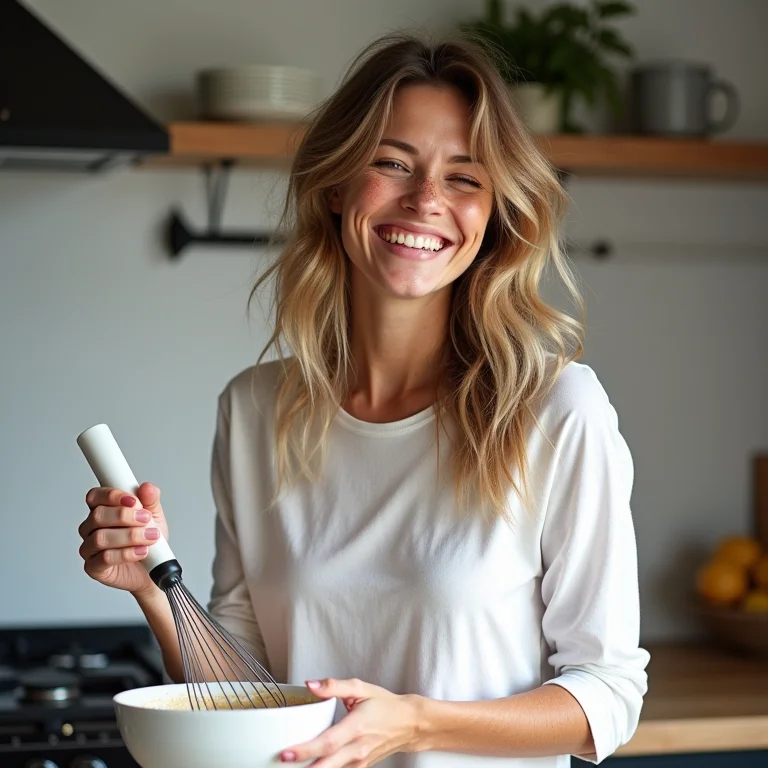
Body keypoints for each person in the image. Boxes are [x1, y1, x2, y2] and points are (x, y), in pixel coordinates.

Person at [77, 32, 650, 768]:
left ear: (493, 215)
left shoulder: (555, 408)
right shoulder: (254, 410)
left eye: (464, 178)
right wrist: (153, 590)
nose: (426, 200)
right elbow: (245, 692)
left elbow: (607, 696)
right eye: (392, 163)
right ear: (336, 185)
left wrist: (415, 724)